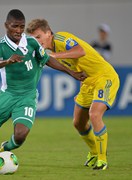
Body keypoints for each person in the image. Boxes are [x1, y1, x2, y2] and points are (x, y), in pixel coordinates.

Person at [0, 9, 86, 174]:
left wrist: (72, 73)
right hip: (6, 96)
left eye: (22, 27)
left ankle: (5, 148)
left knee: (20, 136)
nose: (19, 31)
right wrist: (7, 61)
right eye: (15, 26)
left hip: (27, 96)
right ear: (6, 25)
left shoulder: (31, 43)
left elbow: (47, 59)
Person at [26, 19, 120, 170]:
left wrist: (56, 56)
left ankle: (103, 160)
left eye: (38, 36)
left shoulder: (62, 38)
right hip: (88, 83)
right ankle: (95, 152)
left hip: (105, 77)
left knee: (95, 115)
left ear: (48, 33)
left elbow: (80, 51)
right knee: (78, 122)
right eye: (33, 38)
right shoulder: (52, 51)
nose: (36, 41)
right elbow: (79, 66)